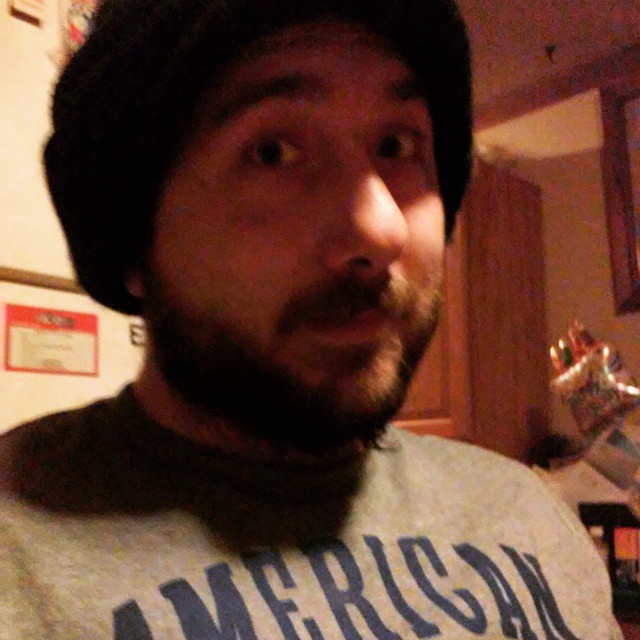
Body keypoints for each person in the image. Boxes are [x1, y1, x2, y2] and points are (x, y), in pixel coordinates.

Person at [0, 0, 622, 637]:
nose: (381, 230)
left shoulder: (532, 517)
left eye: (397, 145)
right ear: (132, 237)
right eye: (272, 152)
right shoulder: (19, 554)